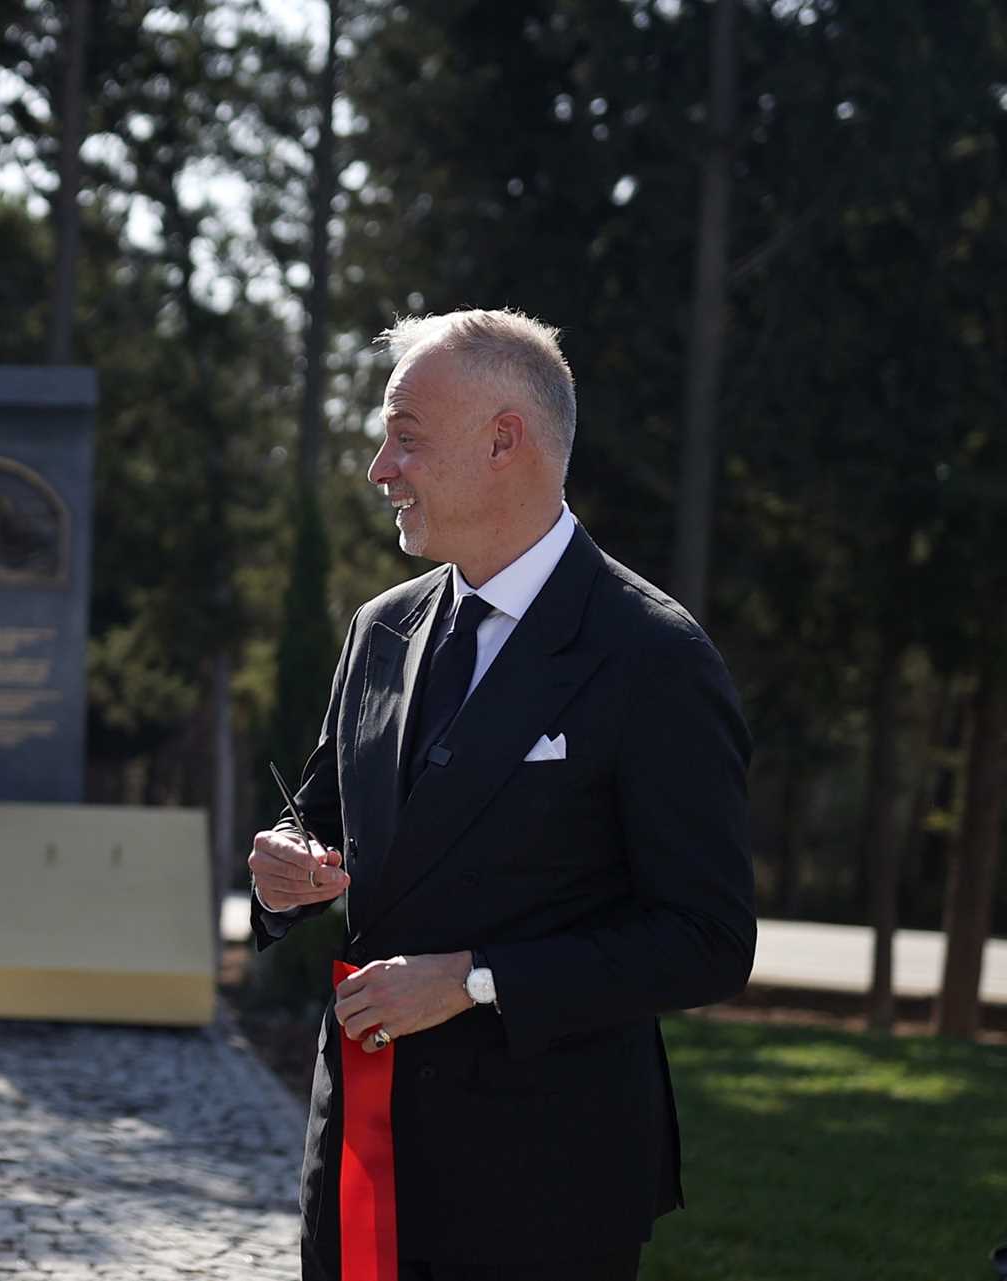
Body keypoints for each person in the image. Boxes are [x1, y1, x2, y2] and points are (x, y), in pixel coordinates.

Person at [249, 309, 756, 1281]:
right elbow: (319, 816)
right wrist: (285, 867)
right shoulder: (379, 630)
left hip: (543, 1188)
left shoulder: (652, 656)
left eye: (405, 437)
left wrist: (476, 979)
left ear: (503, 440)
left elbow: (708, 939)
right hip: (360, 1157)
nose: (380, 469)